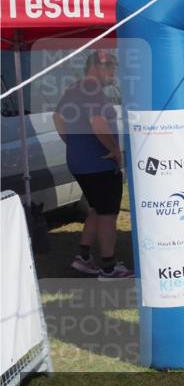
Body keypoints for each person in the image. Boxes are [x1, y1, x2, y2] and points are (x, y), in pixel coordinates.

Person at [53, 50, 133, 279]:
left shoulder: (73, 88)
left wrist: (72, 141)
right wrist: (114, 150)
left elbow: (57, 117)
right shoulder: (93, 90)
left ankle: (84, 257)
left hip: (79, 162)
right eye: (109, 68)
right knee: (108, 214)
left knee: (97, 209)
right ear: (94, 67)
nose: (113, 73)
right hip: (99, 164)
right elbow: (97, 122)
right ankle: (108, 268)